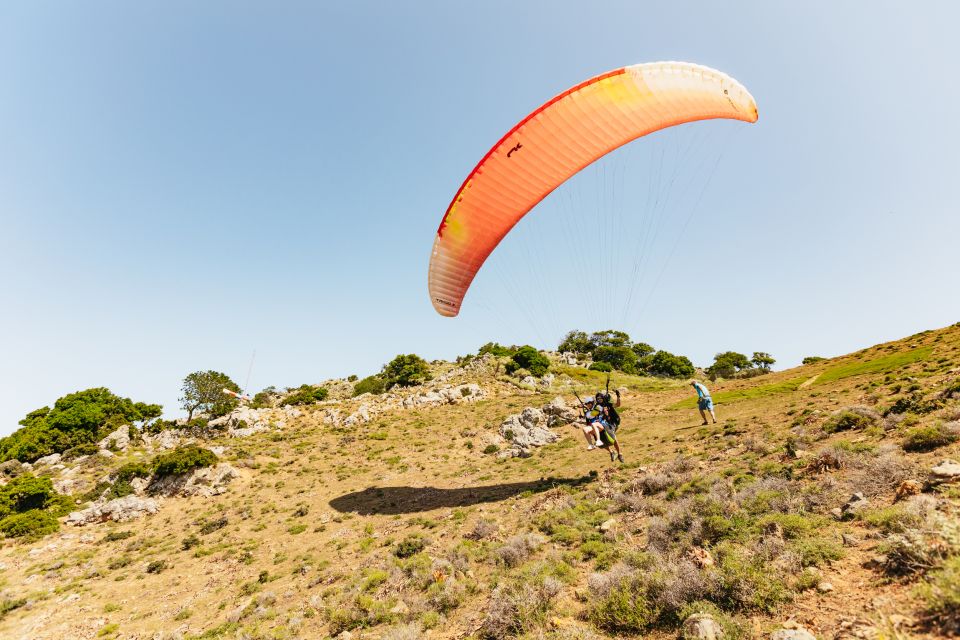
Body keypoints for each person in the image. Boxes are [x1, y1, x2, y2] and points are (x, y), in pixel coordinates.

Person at [595, 389, 625, 463]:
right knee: (602, 439)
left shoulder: (608, 404)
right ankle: (611, 452)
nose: (599, 400)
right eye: (597, 399)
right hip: (603, 424)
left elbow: (618, 404)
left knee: (613, 437)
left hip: (612, 423)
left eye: (600, 398)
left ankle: (619, 454)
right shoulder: (597, 407)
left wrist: (618, 396)